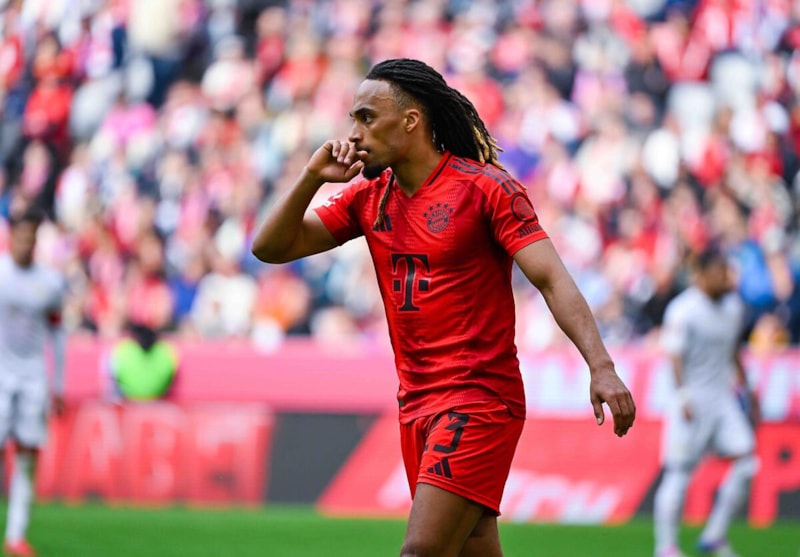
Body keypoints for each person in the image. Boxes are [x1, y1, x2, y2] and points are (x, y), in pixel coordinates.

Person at [251, 58, 636, 557]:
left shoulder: (487, 189)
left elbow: (551, 278)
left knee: (421, 551)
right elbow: (270, 248)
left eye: (367, 117)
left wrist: (601, 366)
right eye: (353, 118)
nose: (354, 133)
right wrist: (310, 178)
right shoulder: (368, 197)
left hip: (478, 399)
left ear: (410, 121)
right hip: (415, 404)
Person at [653, 249, 760, 557]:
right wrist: (682, 396)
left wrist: (748, 389)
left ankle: (714, 534)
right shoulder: (683, 310)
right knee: (679, 472)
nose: (726, 279)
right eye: (719, 273)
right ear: (700, 276)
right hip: (692, 399)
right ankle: (666, 547)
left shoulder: (733, 307)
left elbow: (733, 350)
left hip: (722, 398)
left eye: (727, 272)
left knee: (747, 461)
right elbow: (674, 355)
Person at [0, 207, 66, 557]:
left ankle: (16, 535)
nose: (25, 242)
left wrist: (59, 383)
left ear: (37, 240)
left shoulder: (50, 283)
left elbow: (58, 333)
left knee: (27, 455)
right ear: (10, 237)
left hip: (33, 377)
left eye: (31, 236)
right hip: (0, 374)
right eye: (20, 236)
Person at [106, 322, 179, 402]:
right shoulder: (166, 350)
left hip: (129, 400)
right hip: (158, 399)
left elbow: (112, 376)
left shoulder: (123, 349)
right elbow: (173, 376)